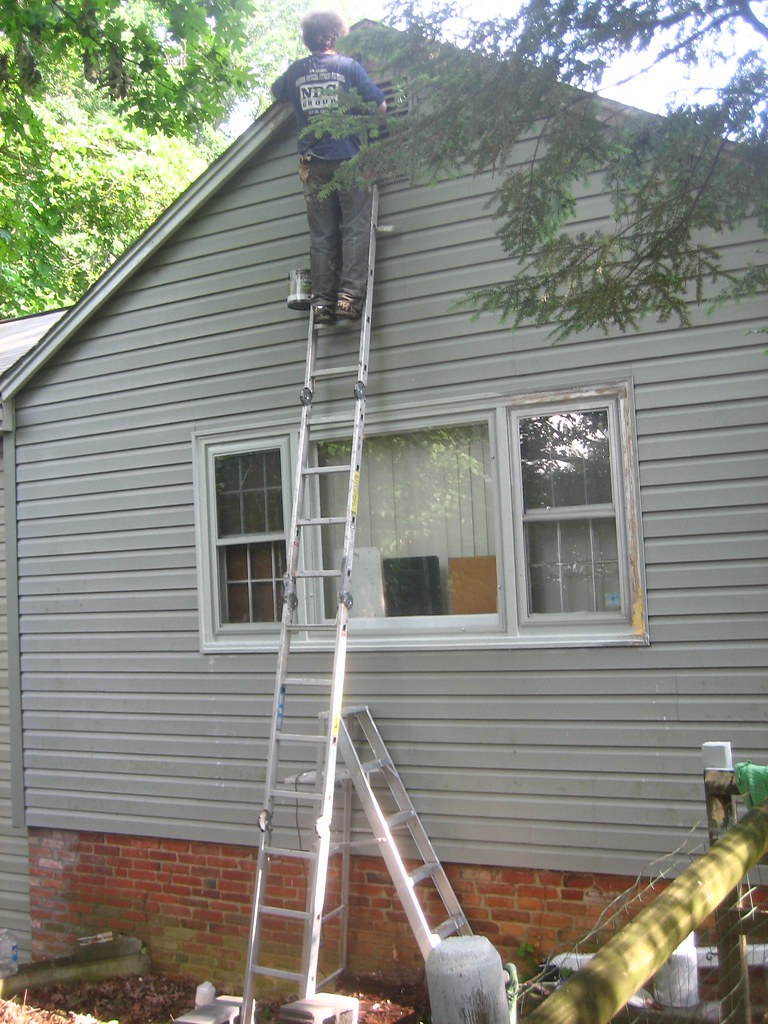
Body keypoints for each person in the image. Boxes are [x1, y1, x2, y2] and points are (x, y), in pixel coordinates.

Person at [272, 11, 387, 325]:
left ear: (309, 38)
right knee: (355, 228)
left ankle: (322, 304)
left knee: (322, 236)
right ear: (336, 36)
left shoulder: (296, 72)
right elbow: (380, 106)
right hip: (348, 159)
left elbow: (277, 91)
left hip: (313, 166)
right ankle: (348, 299)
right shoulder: (348, 68)